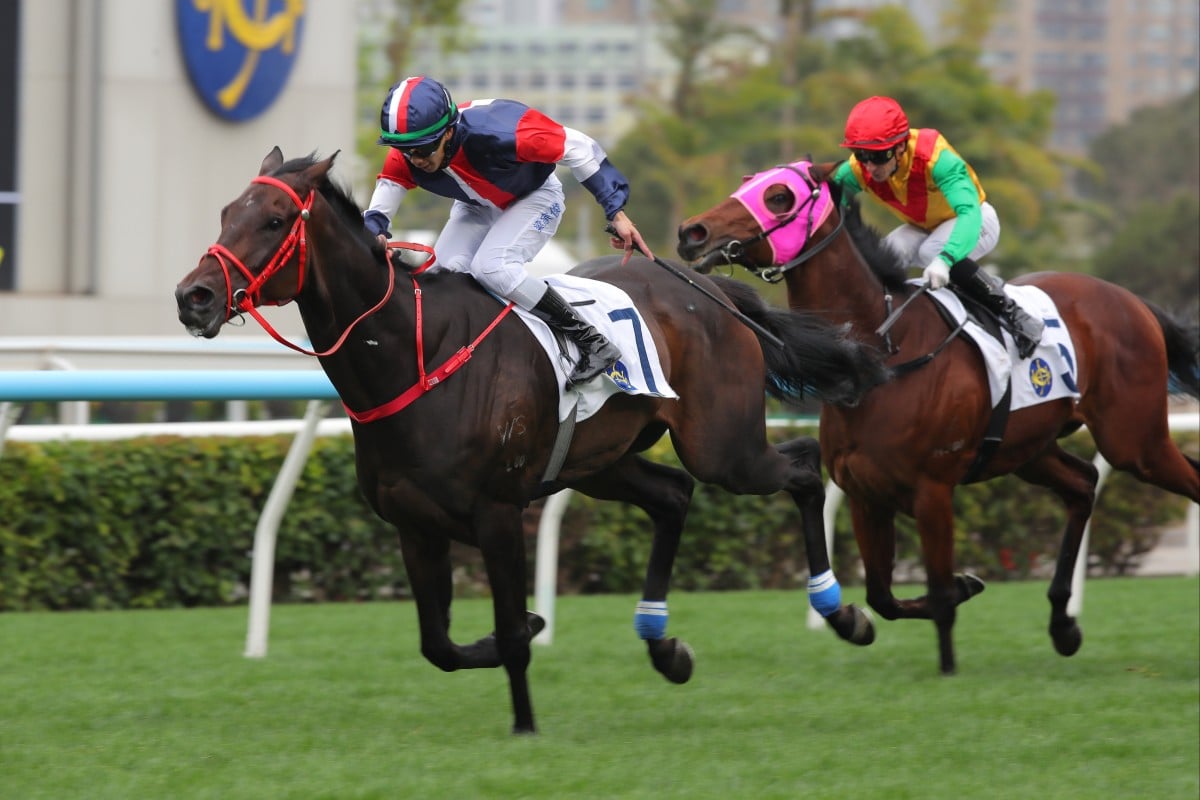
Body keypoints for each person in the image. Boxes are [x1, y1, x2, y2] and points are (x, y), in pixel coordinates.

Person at [363, 75, 654, 387]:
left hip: (535, 197)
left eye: (423, 149)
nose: (416, 159)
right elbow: (382, 203)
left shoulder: (503, 131)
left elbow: (581, 149)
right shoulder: (408, 153)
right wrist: (373, 233)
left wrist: (617, 212)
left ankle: (591, 341)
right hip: (475, 204)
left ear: (449, 131)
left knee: (492, 268)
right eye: (406, 151)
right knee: (440, 278)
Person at [829, 95, 1043, 358]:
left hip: (976, 221)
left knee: (934, 251)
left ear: (900, 147)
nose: (870, 166)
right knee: (885, 254)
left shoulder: (936, 158)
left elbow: (969, 213)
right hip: (923, 227)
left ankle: (1014, 314)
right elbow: (825, 199)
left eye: (877, 156)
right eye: (861, 155)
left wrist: (947, 258)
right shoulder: (859, 169)